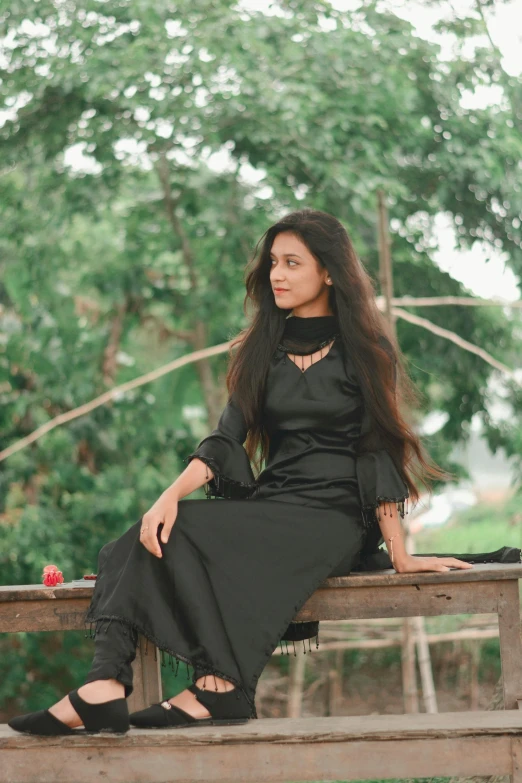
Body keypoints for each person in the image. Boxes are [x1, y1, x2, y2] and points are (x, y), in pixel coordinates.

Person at [8, 208, 472, 736]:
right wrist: (166, 497)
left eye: (292, 262)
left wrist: (400, 552)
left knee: (162, 540)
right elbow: (226, 439)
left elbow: (378, 450)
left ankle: (218, 688)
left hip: (335, 515)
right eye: (273, 262)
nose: (277, 274)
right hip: (275, 502)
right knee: (148, 534)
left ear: (328, 272)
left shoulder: (366, 352)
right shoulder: (260, 350)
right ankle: (109, 684)